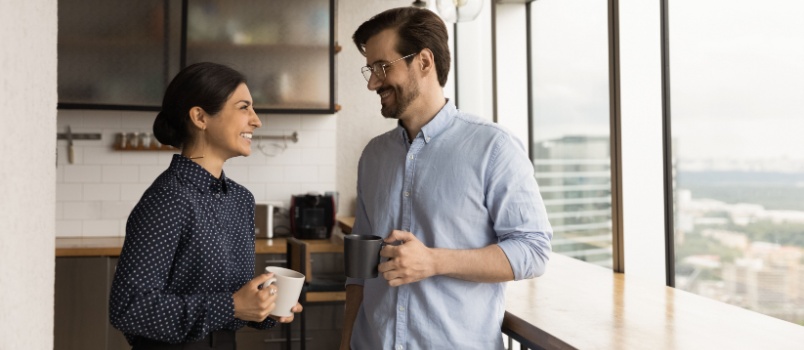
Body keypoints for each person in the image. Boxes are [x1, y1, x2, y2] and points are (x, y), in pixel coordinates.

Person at [340, 7, 553, 350]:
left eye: (382, 67)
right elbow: (359, 271)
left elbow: (533, 250)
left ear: (424, 62)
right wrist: (345, 342)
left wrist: (434, 261)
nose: (372, 82)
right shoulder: (373, 156)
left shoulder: (493, 147)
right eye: (370, 68)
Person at [109, 62, 302, 349]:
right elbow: (128, 308)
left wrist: (262, 308)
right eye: (243, 107)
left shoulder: (240, 200)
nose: (256, 120)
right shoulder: (168, 199)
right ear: (200, 117)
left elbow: (231, 304)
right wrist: (232, 306)